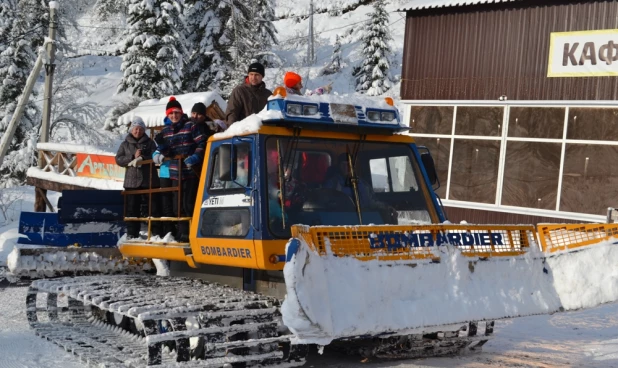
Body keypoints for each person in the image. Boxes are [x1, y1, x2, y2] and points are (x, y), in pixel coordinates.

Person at [152, 97, 206, 242]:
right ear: (167, 115)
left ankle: (190, 234)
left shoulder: (190, 126)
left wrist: (195, 156)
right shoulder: (166, 131)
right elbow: (168, 153)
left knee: (188, 203)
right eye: (171, 113)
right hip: (175, 172)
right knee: (177, 206)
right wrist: (162, 145)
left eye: (176, 112)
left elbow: (202, 142)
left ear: (181, 113)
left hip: (190, 170)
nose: (174, 116)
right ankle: (181, 233)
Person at [115, 116, 163, 239]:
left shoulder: (150, 142)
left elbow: (154, 155)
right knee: (132, 209)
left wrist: (143, 158)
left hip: (149, 181)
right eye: (136, 129)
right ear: (131, 129)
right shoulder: (125, 144)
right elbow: (118, 159)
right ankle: (132, 234)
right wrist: (132, 157)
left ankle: (156, 234)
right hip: (132, 182)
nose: (138, 131)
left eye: (140, 129)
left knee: (154, 208)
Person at [225, 62, 272, 126]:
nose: (253, 77)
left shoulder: (268, 95)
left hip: (264, 132)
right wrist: (232, 130)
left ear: (262, 76)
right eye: (251, 74)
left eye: (257, 75)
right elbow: (232, 113)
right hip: (244, 132)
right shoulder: (240, 91)